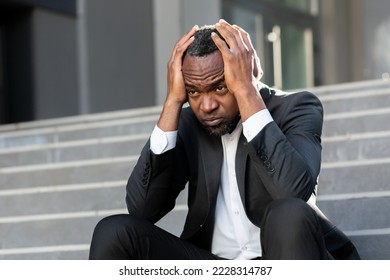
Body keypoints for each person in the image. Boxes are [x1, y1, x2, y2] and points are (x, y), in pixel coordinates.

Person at [89, 19, 360, 260]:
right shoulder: (187, 124)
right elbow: (141, 209)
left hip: (282, 258)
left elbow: (293, 192)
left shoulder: (297, 107)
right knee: (114, 232)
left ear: (243, 73)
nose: (206, 105)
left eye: (220, 87)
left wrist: (246, 90)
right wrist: (173, 101)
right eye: (194, 91)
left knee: (287, 214)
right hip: (213, 264)